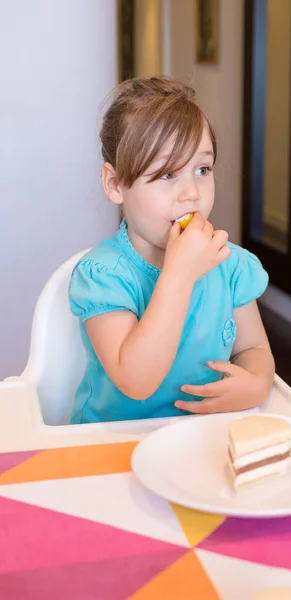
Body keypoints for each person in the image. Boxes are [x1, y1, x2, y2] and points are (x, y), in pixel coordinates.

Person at [68, 76, 275, 424]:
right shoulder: (103, 276)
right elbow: (136, 381)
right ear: (115, 183)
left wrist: (256, 383)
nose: (191, 192)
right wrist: (179, 274)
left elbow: (253, 349)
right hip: (110, 446)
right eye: (167, 174)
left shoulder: (230, 264)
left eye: (202, 169)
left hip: (201, 439)